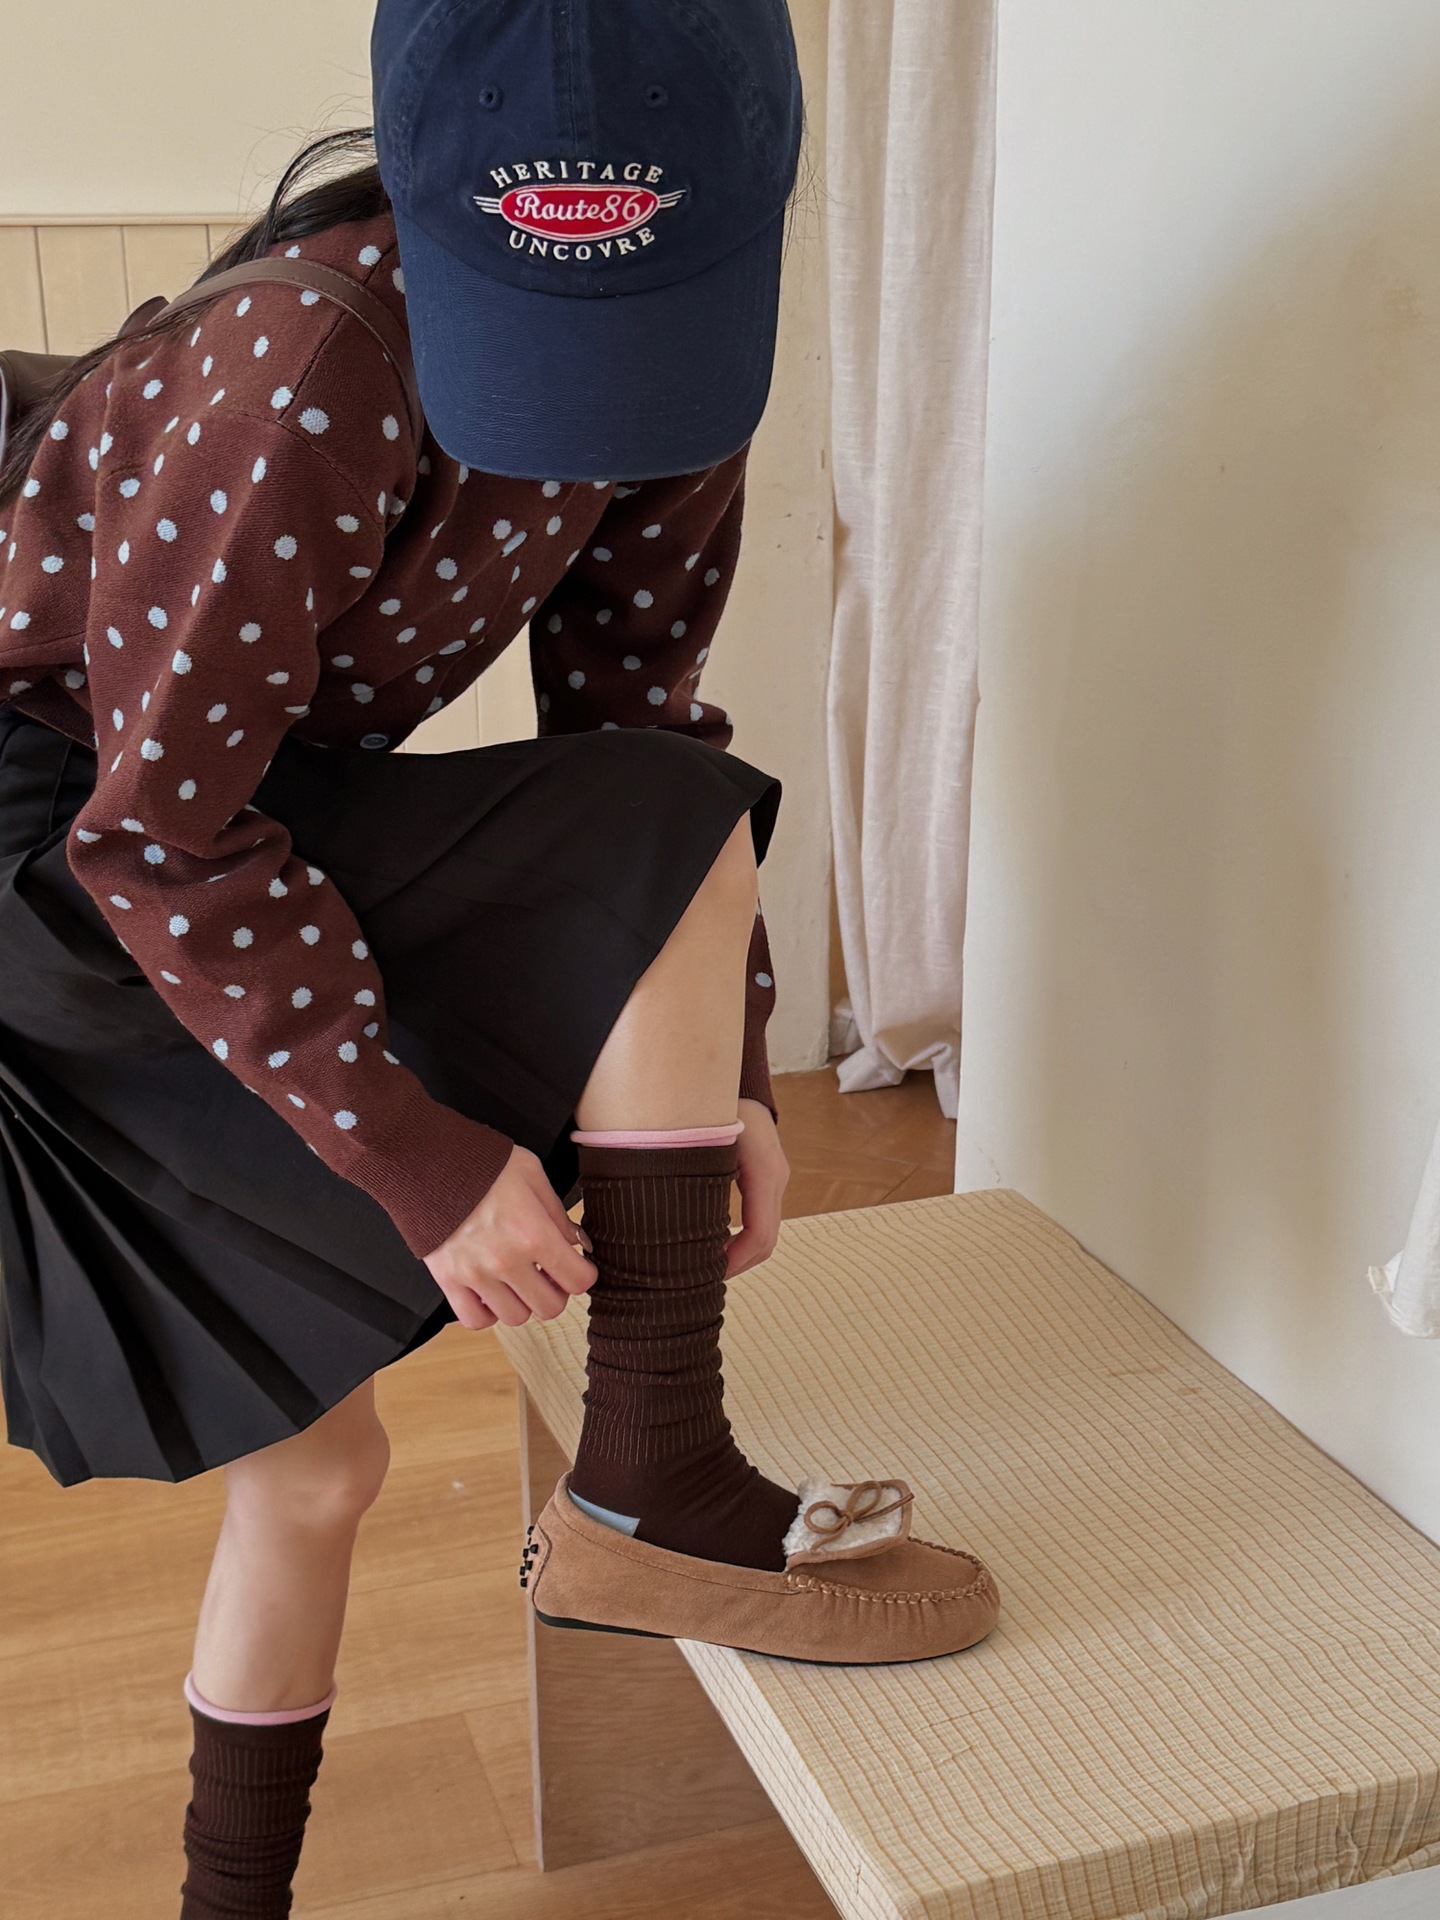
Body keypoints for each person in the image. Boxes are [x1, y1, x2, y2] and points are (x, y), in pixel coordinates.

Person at [0, 2, 1000, 1913]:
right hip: (71, 866)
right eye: (545, 333)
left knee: (318, 1474)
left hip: (243, 832)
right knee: (314, 1468)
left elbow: (638, 721)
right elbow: (156, 830)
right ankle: (648, 1488)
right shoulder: (304, 361)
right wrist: (419, 1157)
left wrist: (721, 1076)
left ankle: (644, 1478)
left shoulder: (684, 363)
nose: (597, 413)